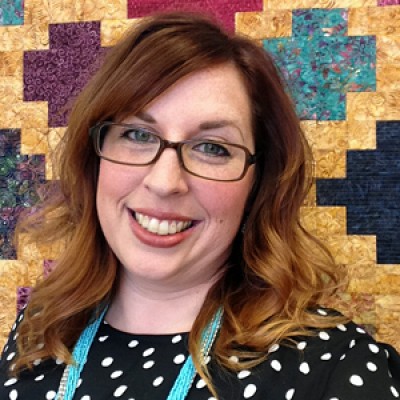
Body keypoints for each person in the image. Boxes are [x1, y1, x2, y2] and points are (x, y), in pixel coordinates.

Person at [1, 11, 399, 400]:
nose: (164, 182)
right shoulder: (39, 332)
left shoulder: (337, 364)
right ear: (94, 159)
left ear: (258, 183)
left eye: (212, 148)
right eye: (137, 135)